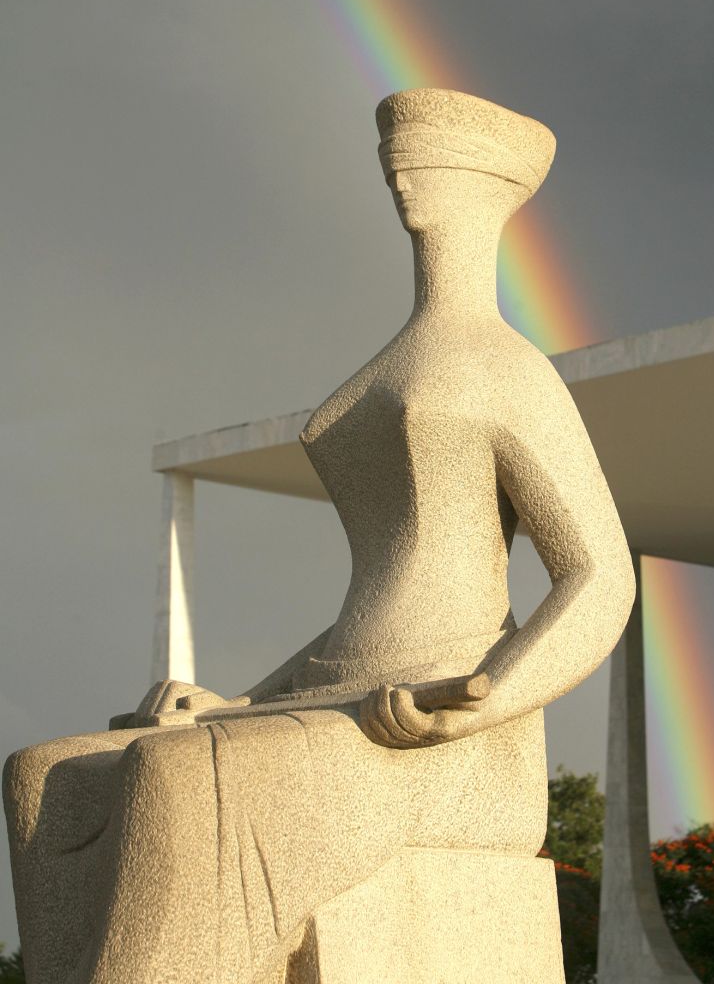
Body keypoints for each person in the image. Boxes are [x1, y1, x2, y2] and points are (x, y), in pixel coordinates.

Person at [4, 89, 635, 983]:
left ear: (489, 188)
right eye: (396, 157)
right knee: (46, 776)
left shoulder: (508, 369)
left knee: (181, 782)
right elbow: (371, 599)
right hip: (334, 696)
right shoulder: (387, 366)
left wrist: (487, 698)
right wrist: (239, 702)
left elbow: (601, 575)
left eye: (429, 159)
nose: (402, 172)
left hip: (441, 728)